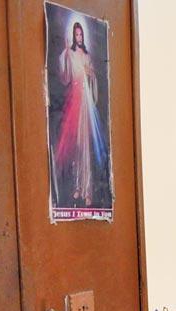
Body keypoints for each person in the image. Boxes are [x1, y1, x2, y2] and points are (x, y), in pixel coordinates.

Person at [52, 21, 106, 207]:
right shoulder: (70, 54)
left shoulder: (87, 56)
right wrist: (66, 52)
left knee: (86, 146)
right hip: (74, 99)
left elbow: (92, 78)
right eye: (77, 35)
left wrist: (91, 75)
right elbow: (65, 76)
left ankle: (88, 189)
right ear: (73, 36)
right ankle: (77, 186)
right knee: (75, 145)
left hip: (86, 102)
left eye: (81, 35)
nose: (79, 38)